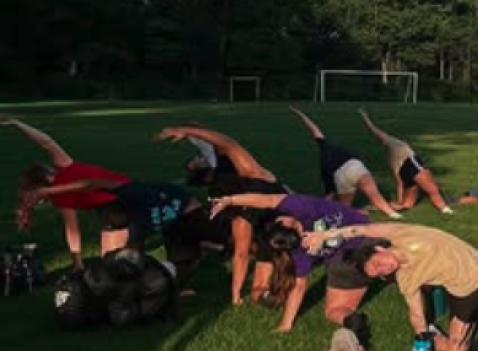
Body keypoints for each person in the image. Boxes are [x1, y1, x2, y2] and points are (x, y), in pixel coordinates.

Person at [302, 223, 478, 351]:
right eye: (379, 273)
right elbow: (416, 314)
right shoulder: (406, 278)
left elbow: (361, 229)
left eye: (377, 264)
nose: (384, 269)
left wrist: (324, 235)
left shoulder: (400, 234)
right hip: (466, 292)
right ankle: (435, 333)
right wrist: (422, 337)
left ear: (379, 250)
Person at [153, 124, 289, 305]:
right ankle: (190, 262)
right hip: (229, 215)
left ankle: (201, 254)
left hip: (236, 217)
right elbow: (227, 143)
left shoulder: (248, 206)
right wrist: (186, 131)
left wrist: (236, 295)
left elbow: (241, 255)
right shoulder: (251, 177)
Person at [209, 192, 373, 333]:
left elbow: (267, 200)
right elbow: (299, 286)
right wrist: (285, 324)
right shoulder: (297, 246)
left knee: (333, 310)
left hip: (364, 239)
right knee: (335, 311)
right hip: (358, 246)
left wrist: (231, 200)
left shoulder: (302, 209)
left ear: (285, 222)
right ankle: (355, 322)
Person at [25, 178, 227, 290]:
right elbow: (130, 258)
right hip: (173, 226)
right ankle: (203, 248)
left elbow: (90, 183)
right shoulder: (135, 227)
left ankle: (208, 243)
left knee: (226, 239)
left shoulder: (132, 192)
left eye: (114, 226)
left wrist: (47, 191)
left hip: (190, 212)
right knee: (176, 273)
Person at [4, 118, 130, 269]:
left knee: (115, 263)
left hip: (122, 199)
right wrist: (19, 124)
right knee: (111, 261)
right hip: (115, 203)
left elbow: (72, 231)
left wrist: (77, 264)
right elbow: (46, 142)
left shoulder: (63, 179)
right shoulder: (64, 167)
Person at [288, 106, 402, 218]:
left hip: (339, 176)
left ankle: (350, 213)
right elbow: (314, 129)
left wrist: (321, 206)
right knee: (374, 193)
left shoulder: (324, 167)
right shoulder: (325, 145)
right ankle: (392, 213)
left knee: (344, 208)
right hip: (354, 166)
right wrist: (300, 113)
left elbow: (329, 195)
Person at [358, 109, 453, 215]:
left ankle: (378, 206)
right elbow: (374, 130)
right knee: (432, 189)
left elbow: (399, 182)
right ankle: (445, 209)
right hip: (412, 167)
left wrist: (400, 200)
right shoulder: (393, 143)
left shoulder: (391, 158)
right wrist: (365, 117)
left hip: (406, 176)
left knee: (406, 205)